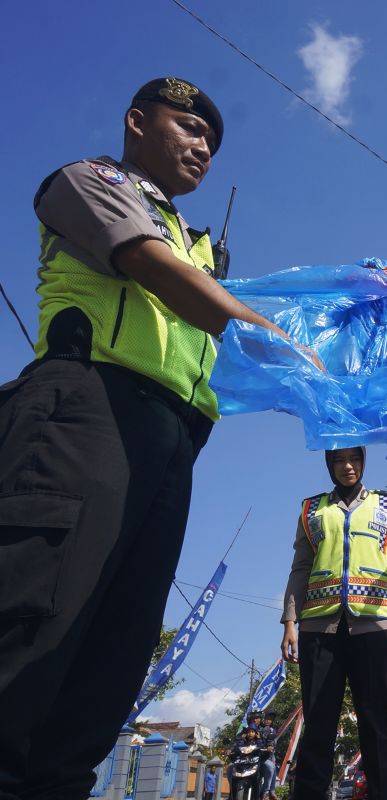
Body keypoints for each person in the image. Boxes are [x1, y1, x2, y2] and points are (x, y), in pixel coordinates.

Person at [0, 76, 312, 800]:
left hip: (168, 450)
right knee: (36, 635)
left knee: (111, 659)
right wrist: (275, 341)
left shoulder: (201, 250)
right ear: (137, 122)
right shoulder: (94, 183)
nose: (203, 146)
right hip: (85, 420)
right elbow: (150, 267)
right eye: (189, 126)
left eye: (212, 140)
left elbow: (216, 332)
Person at [280, 447, 387, 800]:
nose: (348, 467)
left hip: (375, 625)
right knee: (318, 726)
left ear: (363, 462)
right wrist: (289, 621)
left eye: (355, 459)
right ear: (329, 465)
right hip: (319, 629)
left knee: (378, 725)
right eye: (339, 460)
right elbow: (300, 568)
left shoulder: (386, 506)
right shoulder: (312, 510)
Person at [258, 710, 279, 800]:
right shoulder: (258, 729)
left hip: (268, 755)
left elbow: (272, 742)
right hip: (257, 754)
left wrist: (270, 746)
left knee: (272, 767)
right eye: (266, 719)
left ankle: (269, 792)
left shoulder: (273, 730)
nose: (268, 721)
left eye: (270, 719)